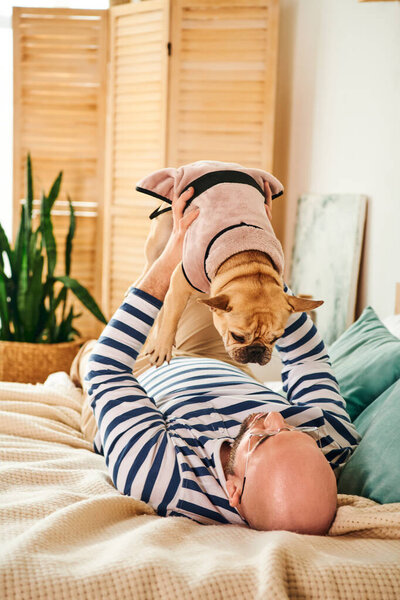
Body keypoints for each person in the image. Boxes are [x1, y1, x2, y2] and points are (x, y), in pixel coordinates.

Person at [71, 185, 360, 535]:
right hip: (226, 360)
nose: (274, 416)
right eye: (294, 430)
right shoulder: (332, 443)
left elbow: (109, 370)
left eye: (264, 438)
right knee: (200, 269)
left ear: (234, 489)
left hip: (143, 379)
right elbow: (309, 361)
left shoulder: (164, 479)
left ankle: (80, 355)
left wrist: (164, 264)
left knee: (93, 357)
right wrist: (260, 256)